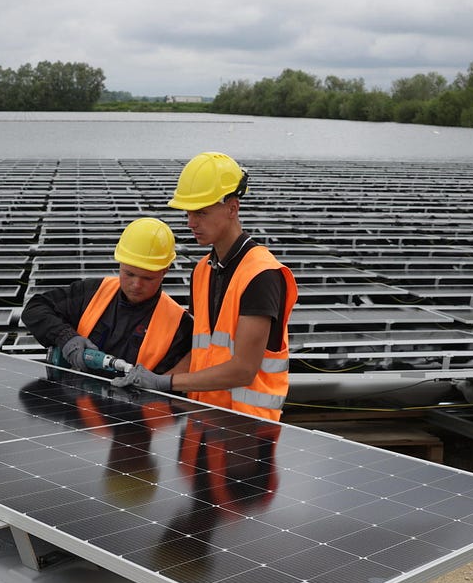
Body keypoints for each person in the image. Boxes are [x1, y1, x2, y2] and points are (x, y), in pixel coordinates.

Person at [113, 152, 298, 421]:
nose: (191, 223)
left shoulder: (261, 274)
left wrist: (166, 384)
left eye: (201, 212)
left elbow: (243, 370)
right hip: (202, 423)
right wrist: (152, 384)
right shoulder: (203, 271)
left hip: (246, 430)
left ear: (233, 208)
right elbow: (201, 352)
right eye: (188, 212)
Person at [21, 217, 191, 375]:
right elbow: (35, 308)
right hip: (74, 400)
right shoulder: (93, 292)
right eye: (129, 274)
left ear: (165, 270)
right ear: (120, 262)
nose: (136, 285)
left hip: (135, 406)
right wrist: (66, 337)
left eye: (148, 278)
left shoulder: (180, 325)